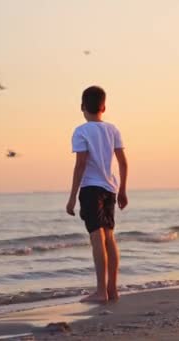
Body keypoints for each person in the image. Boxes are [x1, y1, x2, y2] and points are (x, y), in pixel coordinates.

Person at [66, 86, 128, 303]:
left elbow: (80, 164)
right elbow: (122, 162)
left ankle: (101, 291)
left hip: (91, 188)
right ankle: (112, 289)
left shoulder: (81, 131)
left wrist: (72, 197)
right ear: (104, 107)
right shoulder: (113, 129)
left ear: (82, 107)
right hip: (110, 188)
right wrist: (122, 190)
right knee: (109, 237)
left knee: (96, 237)